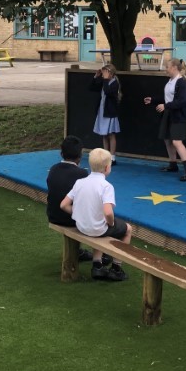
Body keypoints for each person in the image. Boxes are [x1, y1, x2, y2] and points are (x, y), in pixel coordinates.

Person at [60, 148, 132, 282]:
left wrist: (78, 213)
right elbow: (108, 212)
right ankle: (116, 268)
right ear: (106, 168)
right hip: (97, 229)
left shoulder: (79, 182)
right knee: (127, 229)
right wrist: (111, 223)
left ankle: (97, 264)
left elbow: (63, 205)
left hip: (82, 226)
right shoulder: (106, 186)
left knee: (97, 222)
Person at [46, 135, 107, 264]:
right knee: (100, 215)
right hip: (70, 218)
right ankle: (100, 258)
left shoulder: (53, 169)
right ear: (80, 155)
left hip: (53, 215)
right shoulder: (82, 174)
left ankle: (79, 251)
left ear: (61, 153)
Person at [143, 57, 186, 181]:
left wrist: (166, 106)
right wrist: (154, 100)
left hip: (179, 115)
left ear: (174, 68)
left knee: (177, 142)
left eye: (167, 67)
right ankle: (173, 164)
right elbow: (168, 98)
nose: (166, 69)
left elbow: (182, 101)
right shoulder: (170, 81)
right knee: (168, 139)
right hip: (169, 114)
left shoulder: (182, 83)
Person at [91, 64, 121, 164]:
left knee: (111, 134)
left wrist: (106, 79)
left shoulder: (114, 83)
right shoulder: (104, 81)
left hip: (110, 111)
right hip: (102, 111)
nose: (103, 74)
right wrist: (96, 76)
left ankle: (112, 158)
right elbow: (92, 88)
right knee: (104, 134)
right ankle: (105, 156)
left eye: (105, 72)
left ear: (111, 73)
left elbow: (108, 92)